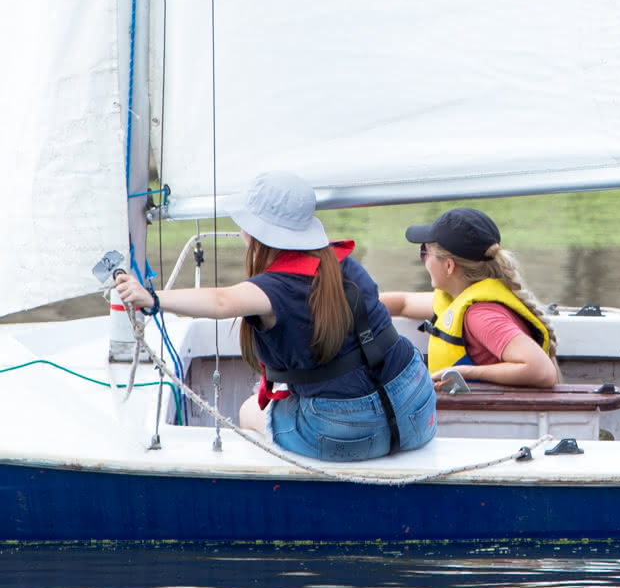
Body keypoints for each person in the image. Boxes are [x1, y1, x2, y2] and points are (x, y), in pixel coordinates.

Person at [113, 170, 436, 461]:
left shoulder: (273, 290)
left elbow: (222, 301)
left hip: (344, 430)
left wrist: (151, 297)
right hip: (416, 404)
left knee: (249, 409)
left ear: (253, 234)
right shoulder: (346, 264)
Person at [379, 208, 560, 389]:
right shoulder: (458, 298)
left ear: (449, 266)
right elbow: (403, 304)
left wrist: (465, 372)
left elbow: (543, 372)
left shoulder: (480, 316)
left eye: (424, 253)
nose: (423, 260)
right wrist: (355, 305)